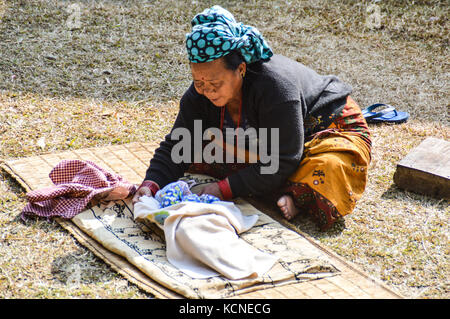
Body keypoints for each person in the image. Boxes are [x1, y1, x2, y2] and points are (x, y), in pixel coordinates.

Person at [132, 5, 371, 231]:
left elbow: (284, 158)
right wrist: (150, 184)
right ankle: (281, 186)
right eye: (198, 82)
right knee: (195, 149)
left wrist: (222, 189)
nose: (207, 91)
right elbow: (177, 144)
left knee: (329, 168)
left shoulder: (276, 87)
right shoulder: (199, 95)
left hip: (327, 127)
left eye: (215, 83)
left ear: (241, 69)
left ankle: (298, 196)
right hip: (265, 143)